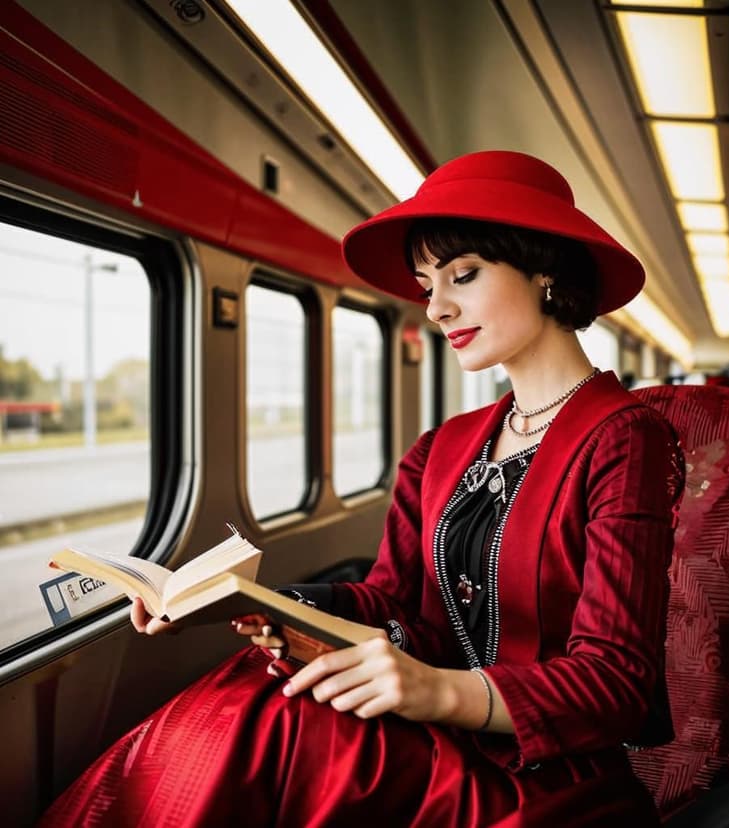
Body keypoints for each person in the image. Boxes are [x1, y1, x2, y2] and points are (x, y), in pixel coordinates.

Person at [40, 151, 683, 826]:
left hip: (541, 772)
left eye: (463, 275)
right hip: (436, 733)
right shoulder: (442, 448)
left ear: (546, 271)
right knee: (261, 693)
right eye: (426, 285)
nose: (437, 308)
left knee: (284, 727)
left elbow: (616, 682)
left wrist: (435, 691)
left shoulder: (623, 437)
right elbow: (392, 601)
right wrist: (257, 603)